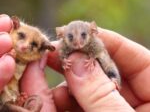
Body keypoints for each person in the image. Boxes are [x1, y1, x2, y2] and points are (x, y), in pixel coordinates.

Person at [0, 14, 149, 112]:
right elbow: (62, 55)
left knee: (110, 67)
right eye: (71, 38)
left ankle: (113, 79)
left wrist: (93, 65)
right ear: (63, 36)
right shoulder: (63, 47)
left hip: (107, 76)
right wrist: (64, 62)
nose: (77, 43)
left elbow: (100, 53)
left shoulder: (94, 44)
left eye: (83, 36)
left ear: (92, 32)